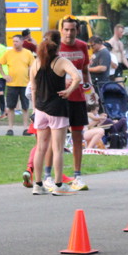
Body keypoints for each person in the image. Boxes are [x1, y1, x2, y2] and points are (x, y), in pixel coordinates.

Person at [29, 30, 81, 196]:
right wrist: (69, 91)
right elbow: (77, 77)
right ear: (58, 45)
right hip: (57, 109)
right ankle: (58, 184)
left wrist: (35, 108)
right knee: (58, 148)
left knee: (40, 148)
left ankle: (38, 184)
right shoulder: (61, 61)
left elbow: (33, 89)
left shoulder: (35, 63)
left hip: (40, 109)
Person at [55, 16, 91, 191]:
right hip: (59, 98)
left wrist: (90, 91)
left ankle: (77, 175)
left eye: (72, 30)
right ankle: (52, 176)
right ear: (61, 30)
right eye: (66, 29)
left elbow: (85, 70)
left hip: (78, 98)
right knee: (56, 139)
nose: (69, 33)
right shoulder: (55, 47)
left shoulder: (82, 46)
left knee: (78, 137)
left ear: (78, 30)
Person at [0, 34, 35, 135]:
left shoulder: (27, 53)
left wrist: (31, 79)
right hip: (12, 84)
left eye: (16, 41)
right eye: (13, 41)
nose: (14, 43)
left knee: (25, 107)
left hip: (25, 84)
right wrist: (4, 75)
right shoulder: (8, 53)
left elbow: (33, 66)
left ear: (22, 42)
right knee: (11, 107)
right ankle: (10, 128)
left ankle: (25, 129)